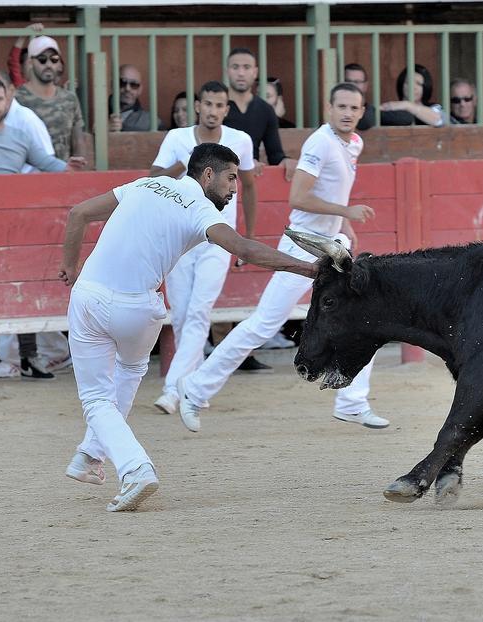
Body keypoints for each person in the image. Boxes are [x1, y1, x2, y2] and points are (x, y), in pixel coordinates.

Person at [58, 142, 317, 511]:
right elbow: (246, 250)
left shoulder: (145, 184)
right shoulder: (200, 208)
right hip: (140, 310)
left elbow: (78, 213)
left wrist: (70, 265)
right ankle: (96, 458)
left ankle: (122, 463)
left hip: (89, 298)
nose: (233, 190)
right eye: (230, 179)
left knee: (97, 398)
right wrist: (310, 268)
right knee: (129, 372)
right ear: (207, 174)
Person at [176, 83, 391, 433]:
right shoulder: (319, 143)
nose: (348, 113)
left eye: (354, 107)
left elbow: (334, 190)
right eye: (341, 107)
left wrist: (344, 227)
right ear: (328, 108)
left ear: (362, 111)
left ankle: (352, 402)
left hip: (332, 241)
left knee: (363, 313)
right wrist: (346, 212)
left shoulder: (354, 143)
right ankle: (196, 389)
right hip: (304, 244)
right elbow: (298, 197)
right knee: (263, 324)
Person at [0, 77, 84, 382]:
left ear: (7, 102)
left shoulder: (20, 137)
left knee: (23, 286)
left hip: (14, 228)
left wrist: (69, 169)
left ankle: (30, 358)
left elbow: (47, 163)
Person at [149, 81, 257, 415]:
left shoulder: (240, 140)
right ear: (198, 105)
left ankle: (172, 389)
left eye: (219, 105)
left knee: (197, 312)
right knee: (182, 314)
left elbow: (249, 187)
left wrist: (246, 240)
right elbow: (153, 179)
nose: (212, 110)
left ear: (227, 109)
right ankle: (193, 386)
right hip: (181, 237)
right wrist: (184, 164)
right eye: (207, 104)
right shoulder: (177, 139)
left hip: (219, 237)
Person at [223, 47, 295, 372]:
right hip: (219, 188)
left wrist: (285, 163)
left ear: (255, 73)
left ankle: (237, 349)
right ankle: (220, 343)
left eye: (246, 67)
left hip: (246, 187)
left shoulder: (264, 110)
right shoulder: (218, 105)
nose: (241, 72)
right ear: (228, 71)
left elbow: (276, 153)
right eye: (235, 66)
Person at [14, 35, 87, 160]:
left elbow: (78, 140)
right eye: (42, 59)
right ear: (30, 62)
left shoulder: (69, 98)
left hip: (63, 174)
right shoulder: (17, 99)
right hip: (29, 174)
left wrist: (79, 169)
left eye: (54, 59)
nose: (48, 64)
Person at [380, 64, 444, 126]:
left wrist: (407, 105)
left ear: (426, 87)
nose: (413, 87)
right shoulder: (393, 108)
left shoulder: (434, 107)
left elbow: (439, 120)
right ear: (401, 85)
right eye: (408, 82)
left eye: (419, 84)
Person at [109, 64, 161, 132]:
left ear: (140, 90)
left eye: (134, 84)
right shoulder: (95, 112)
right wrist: (102, 129)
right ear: (112, 84)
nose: (127, 88)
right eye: (122, 82)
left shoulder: (151, 121)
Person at [7, 22, 43, 88]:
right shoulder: (22, 85)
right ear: (21, 67)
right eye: (30, 62)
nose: (34, 65)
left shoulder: (46, 84)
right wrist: (24, 34)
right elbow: (13, 61)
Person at [344, 63, 376, 131]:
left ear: (365, 85)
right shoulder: (335, 108)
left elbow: (366, 122)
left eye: (357, 82)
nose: (352, 86)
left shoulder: (374, 112)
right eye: (348, 81)